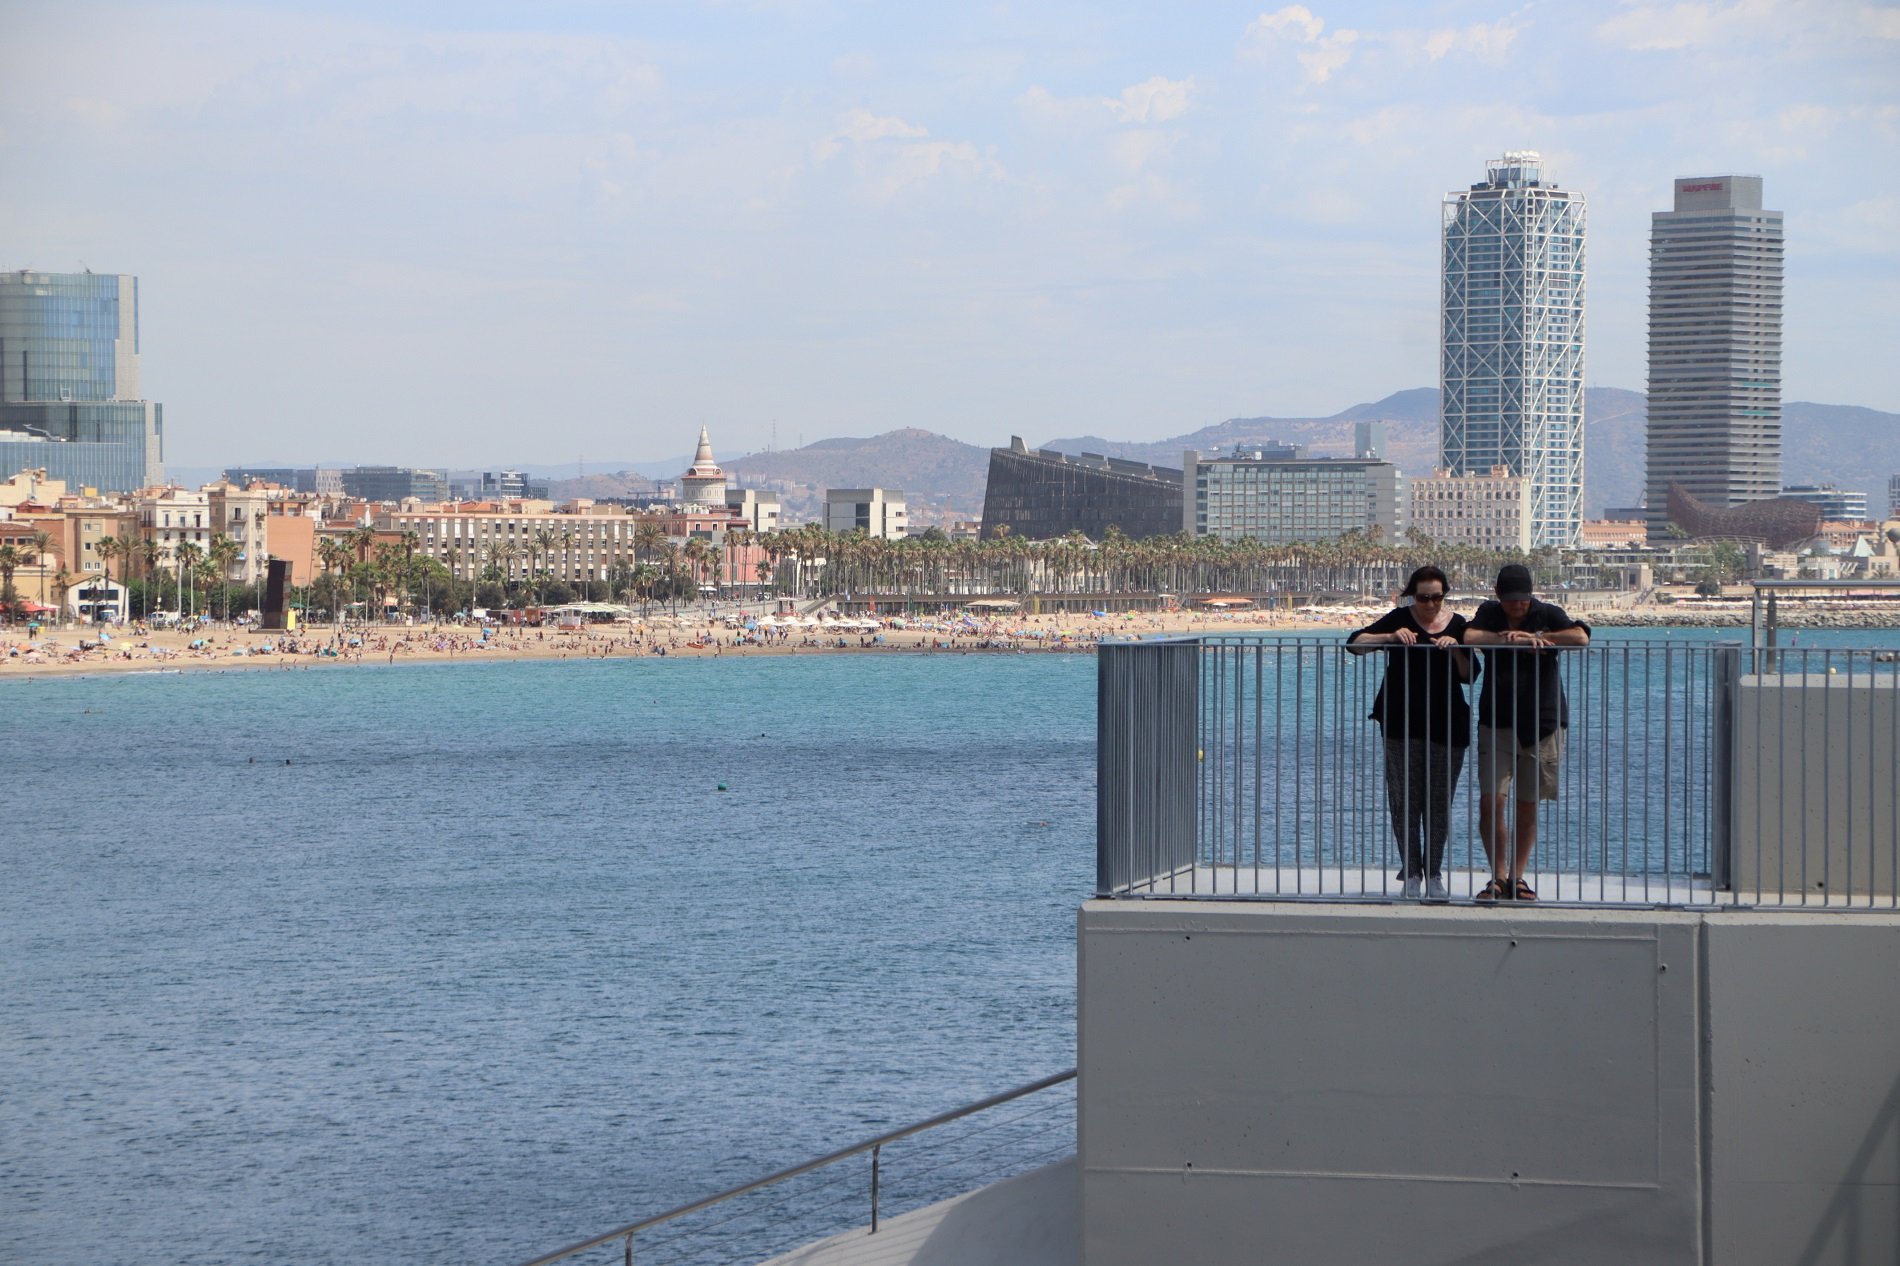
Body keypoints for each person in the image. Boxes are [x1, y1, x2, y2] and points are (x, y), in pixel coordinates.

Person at [1463, 563, 1590, 901]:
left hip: (1543, 723)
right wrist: (1507, 640)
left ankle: (1518, 878)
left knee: (1528, 804)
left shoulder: (1546, 612)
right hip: (1497, 722)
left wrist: (1537, 637)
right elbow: (1470, 636)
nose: (1518, 607)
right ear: (1498, 595)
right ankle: (1497, 877)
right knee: (1491, 801)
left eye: (1523, 600)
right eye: (1511, 600)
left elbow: (1580, 637)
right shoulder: (1489, 612)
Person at [1347, 566, 1474, 900]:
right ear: (1412, 595)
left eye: (1436, 597)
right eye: (1423, 597)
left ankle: (1433, 873)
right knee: (1404, 800)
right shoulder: (1398, 618)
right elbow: (1355, 644)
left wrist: (1456, 648)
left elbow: (1470, 675)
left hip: (1448, 725)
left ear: (1445, 595)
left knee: (1438, 802)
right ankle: (1412, 873)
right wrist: (1389, 637)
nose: (1430, 604)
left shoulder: (1460, 625)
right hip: (1400, 723)